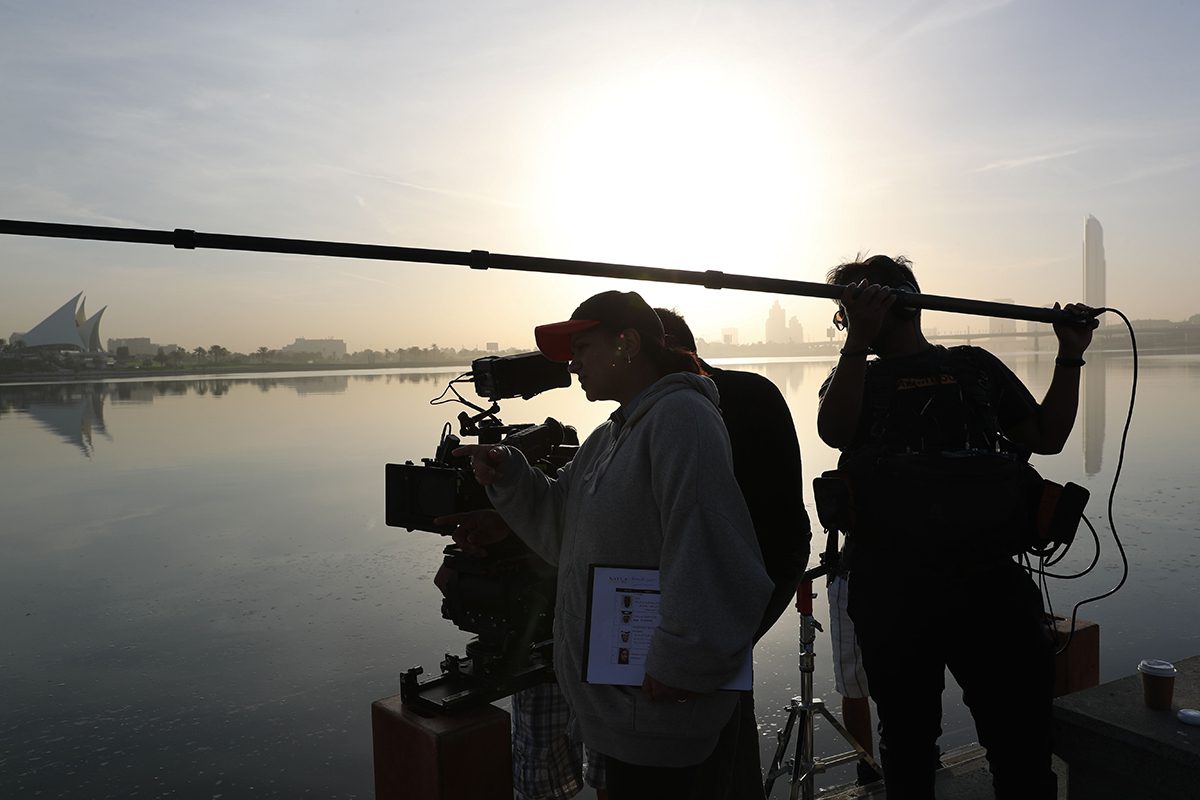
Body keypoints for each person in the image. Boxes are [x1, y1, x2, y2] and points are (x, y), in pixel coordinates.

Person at [451, 290, 773, 800]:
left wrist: (680, 666)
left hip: (659, 707)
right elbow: (564, 526)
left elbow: (708, 546)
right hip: (622, 709)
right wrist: (512, 475)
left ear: (627, 344)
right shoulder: (610, 435)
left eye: (582, 345)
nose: (572, 362)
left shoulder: (681, 419)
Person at [815, 254, 1096, 799]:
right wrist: (855, 344)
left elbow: (1047, 434)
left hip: (991, 588)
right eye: (844, 317)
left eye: (845, 313)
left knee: (1021, 747)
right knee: (909, 747)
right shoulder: (856, 376)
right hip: (892, 593)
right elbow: (834, 430)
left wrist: (1069, 356)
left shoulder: (975, 366)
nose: (846, 324)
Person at [654, 307, 812, 799]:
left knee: (708, 683)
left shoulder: (697, 407)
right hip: (767, 562)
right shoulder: (740, 392)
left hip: (754, 567)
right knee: (718, 686)